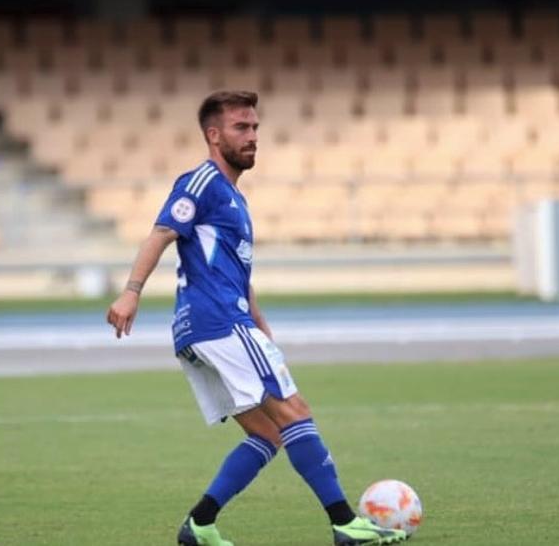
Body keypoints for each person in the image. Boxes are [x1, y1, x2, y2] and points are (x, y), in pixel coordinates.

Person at [106, 90, 406, 546]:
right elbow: (162, 232)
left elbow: (238, 277)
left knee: (267, 433)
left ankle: (199, 525)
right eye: (241, 128)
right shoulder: (202, 182)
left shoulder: (234, 201)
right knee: (295, 412)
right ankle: (345, 523)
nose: (252, 137)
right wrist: (131, 293)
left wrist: (261, 326)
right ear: (213, 135)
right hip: (218, 323)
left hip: (211, 326)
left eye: (255, 128)